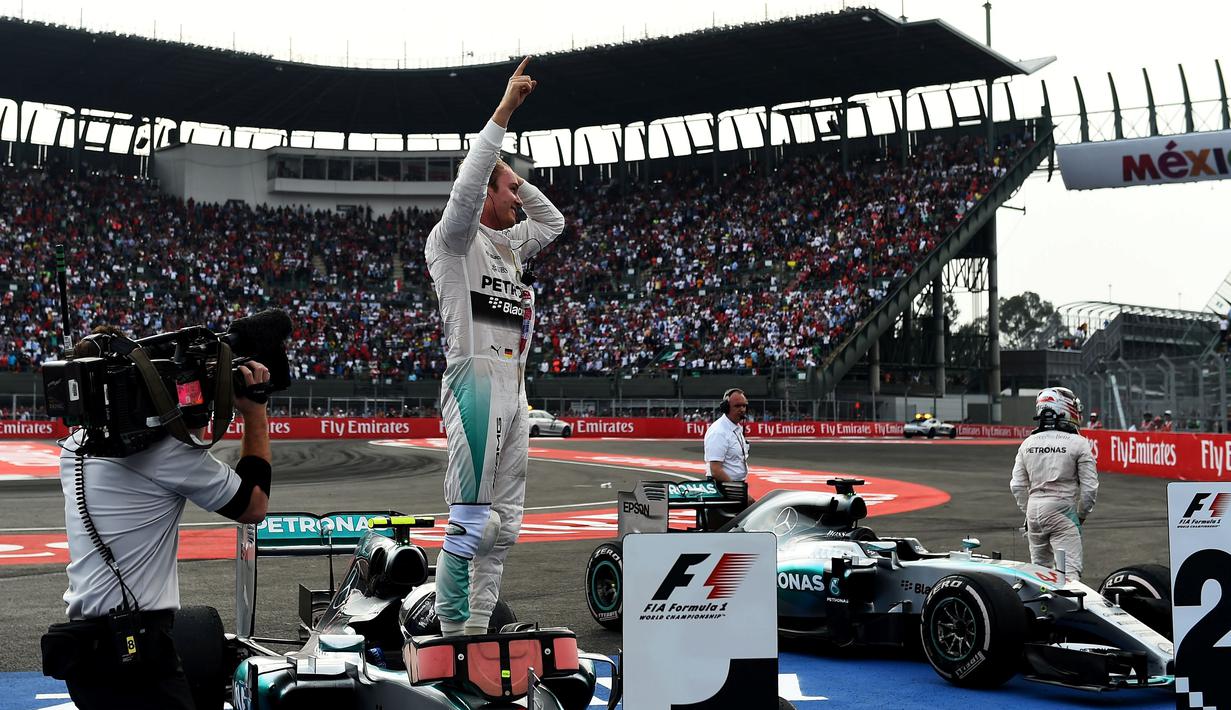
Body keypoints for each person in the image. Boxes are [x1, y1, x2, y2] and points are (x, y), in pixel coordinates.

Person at [42, 326, 273, 710]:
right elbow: (254, 506)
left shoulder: (73, 448)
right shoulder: (164, 457)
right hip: (135, 654)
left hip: (88, 651)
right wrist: (254, 412)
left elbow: (182, 435)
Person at [424, 57, 565, 636]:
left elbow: (552, 221)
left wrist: (515, 176)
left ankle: (479, 629)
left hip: (515, 392)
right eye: (508, 190)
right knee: (471, 519)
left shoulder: (509, 248)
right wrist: (504, 114)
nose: (516, 199)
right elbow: (468, 186)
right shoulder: (455, 240)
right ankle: (452, 631)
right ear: (483, 193)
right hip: (475, 385)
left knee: (505, 525)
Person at [1010, 387, 1098, 581]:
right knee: (1069, 573)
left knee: (1039, 572)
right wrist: (1081, 516)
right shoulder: (1079, 443)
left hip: (1033, 512)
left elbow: (1016, 485)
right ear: (1065, 409)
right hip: (1062, 511)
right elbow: (1089, 489)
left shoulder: (1027, 443)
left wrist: (1028, 511)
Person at [704, 388, 750, 485]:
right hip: (722, 486)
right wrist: (738, 491)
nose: (742, 409)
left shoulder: (736, 428)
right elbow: (716, 470)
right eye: (737, 406)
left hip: (734, 484)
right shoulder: (718, 431)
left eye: (744, 406)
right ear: (726, 408)